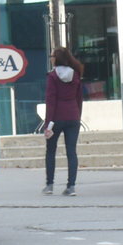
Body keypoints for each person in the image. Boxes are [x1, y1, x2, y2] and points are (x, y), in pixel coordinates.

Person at [41, 46, 84, 196]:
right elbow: (79, 97)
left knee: (51, 151)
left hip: (57, 118)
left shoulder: (52, 77)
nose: (51, 58)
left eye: (52, 56)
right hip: (73, 116)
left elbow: (50, 100)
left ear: (57, 58)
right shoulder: (76, 74)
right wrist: (78, 115)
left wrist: (48, 123)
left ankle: (50, 185)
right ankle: (71, 186)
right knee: (71, 152)